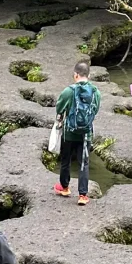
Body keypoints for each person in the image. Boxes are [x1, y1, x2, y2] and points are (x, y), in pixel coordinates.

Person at [52, 59, 101, 204]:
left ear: (75, 75)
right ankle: (83, 195)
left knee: (66, 160)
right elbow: (95, 110)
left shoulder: (69, 91)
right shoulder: (95, 92)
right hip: (86, 133)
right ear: (89, 75)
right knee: (83, 162)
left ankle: (65, 187)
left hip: (69, 132)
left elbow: (60, 108)